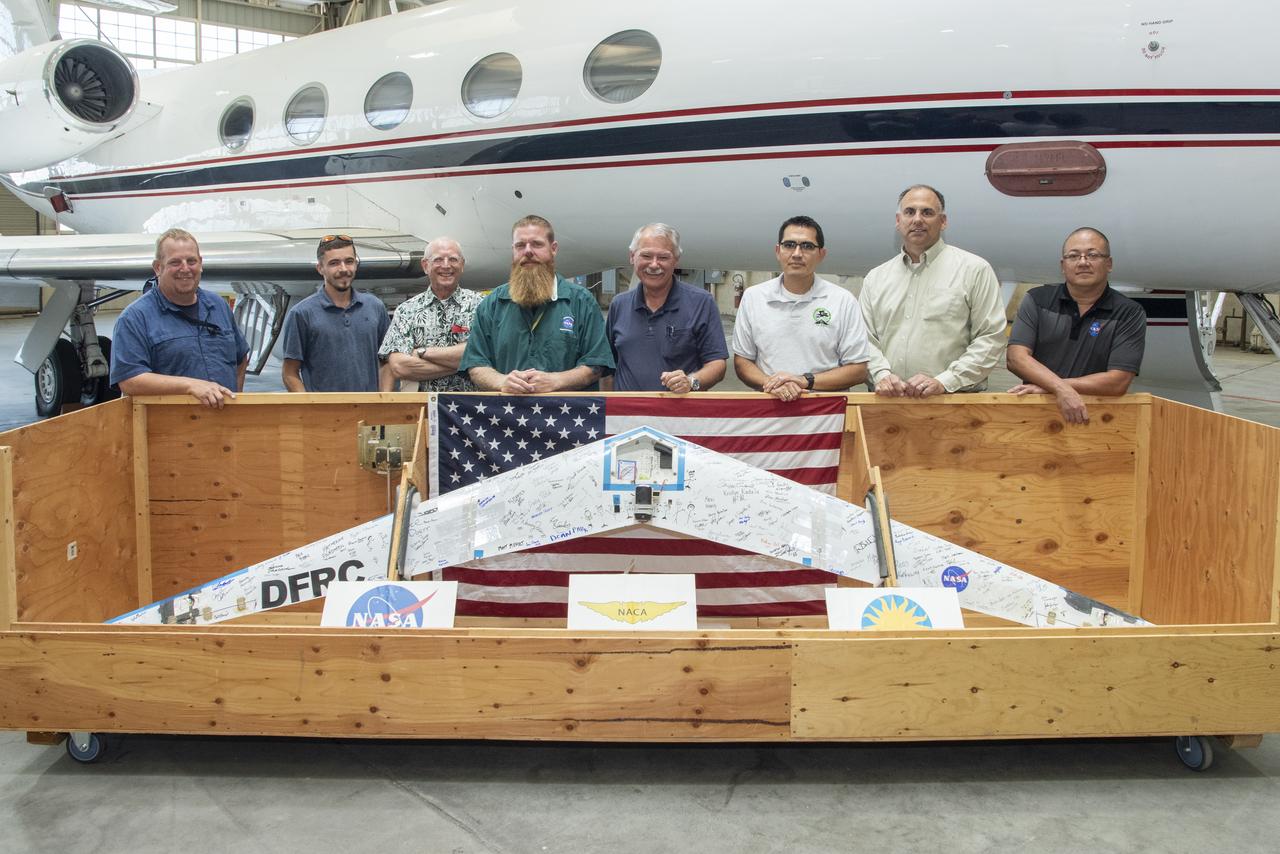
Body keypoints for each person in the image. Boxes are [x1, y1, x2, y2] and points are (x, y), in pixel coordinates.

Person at [860, 185, 1007, 397]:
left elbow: (991, 337)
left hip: (952, 401)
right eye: (910, 212)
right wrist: (882, 375)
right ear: (898, 221)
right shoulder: (876, 278)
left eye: (927, 212)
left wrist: (945, 381)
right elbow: (864, 340)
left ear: (943, 221)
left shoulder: (974, 270)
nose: (917, 219)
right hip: (888, 403)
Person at [1007, 227, 1147, 423]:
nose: (1083, 262)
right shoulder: (1037, 300)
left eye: (1092, 255)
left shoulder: (1129, 312)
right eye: (1074, 256)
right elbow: (1016, 358)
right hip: (1035, 416)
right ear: (1063, 265)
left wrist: (1052, 386)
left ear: (1109, 264)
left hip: (1098, 420)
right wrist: (1060, 388)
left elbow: (1118, 380)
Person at [461, 215, 614, 393]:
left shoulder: (582, 301)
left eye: (537, 244)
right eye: (520, 245)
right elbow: (475, 364)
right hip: (506, 416)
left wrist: (556, 380)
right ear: (513, 249)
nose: (528, 251)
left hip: (566, 416)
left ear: (553, 249)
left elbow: (596, 364)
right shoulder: (492, 304)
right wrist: (501, 381)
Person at [731, 215, 869, 402]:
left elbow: (858, 370)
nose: (797, 253)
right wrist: (773, 385)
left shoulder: (842, 301)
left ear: (821, 254)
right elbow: (742, 362)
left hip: (825, 414)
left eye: (807, 246)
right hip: (768, 412)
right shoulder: (753, 298)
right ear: (778, 251)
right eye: (789, 245)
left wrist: (805, 381)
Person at [109, 228, 249, 409]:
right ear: (158, 267)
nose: (185, 269)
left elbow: (240, 358)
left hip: (223, 428)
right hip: (168, 430)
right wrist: (191, 386)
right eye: (175, 262)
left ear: (201, 264)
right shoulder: (134, 318)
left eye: (191, 261)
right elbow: (130, 380)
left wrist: (234, 401)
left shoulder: (218, 306)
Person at [605, 223, 727, 393]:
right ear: (632, 256)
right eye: (646, 255)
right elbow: (607, 368)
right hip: (629, 416)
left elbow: (717, 365)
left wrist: (692, 382)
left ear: (676, 260)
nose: (654, 265)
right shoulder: (619, 305)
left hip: (679, 416)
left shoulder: (702, 302)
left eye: (663, 257)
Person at [279, 235, 390, 392]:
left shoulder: (375, 307)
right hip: (323, 415)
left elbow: (387, 362)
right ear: (320, 268)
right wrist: (309, 409)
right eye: (334, 263)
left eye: (349, 261)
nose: (343, 269)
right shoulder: (301, 314)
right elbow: (290, 373)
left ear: (356, 264)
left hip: (370, 413)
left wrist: (385, 402)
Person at [378, 237, 483, 392]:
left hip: (468, 412)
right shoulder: (407, 310)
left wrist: (423, 352)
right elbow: (399, 366)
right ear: (425, 265)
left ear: (462, 265)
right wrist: (465, 364)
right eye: (438, 259)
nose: (446, 265)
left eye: (453, 259)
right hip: (421, 412)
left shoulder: (482, 306)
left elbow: (484, 353)